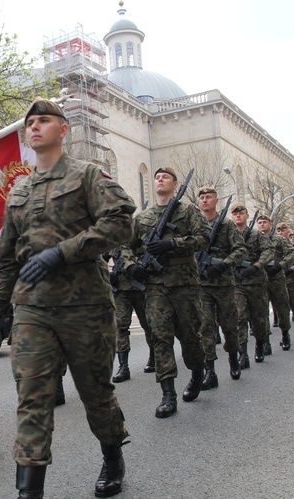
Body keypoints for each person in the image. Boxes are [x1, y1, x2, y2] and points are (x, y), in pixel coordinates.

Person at [0, 97, 136, 498]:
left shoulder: (87, 176)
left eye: (44, 121)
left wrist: (61, 252)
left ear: (62, 130)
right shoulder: (17, 191)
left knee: (95, 392)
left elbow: (121, 223)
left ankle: (113, 455)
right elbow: (8, 260)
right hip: (33, 311)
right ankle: (29, 491)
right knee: (32, 399)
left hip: (85, 308)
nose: (35, 127)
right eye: (30, 122)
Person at [123, 166, 209, 419]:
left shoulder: (187, 212)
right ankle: (168, 394)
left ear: (175, 183)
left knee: (190, 336)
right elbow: (125, 246)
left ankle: (196, 373)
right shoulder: (143, 217)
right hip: (155, 286)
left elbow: (204, 238)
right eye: (157, 177)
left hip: (184, 285)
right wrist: (131, 266)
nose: (160, 180)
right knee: (160, 337)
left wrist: (174, 243)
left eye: (165, 177)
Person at [196, 186, 246, 389]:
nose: (205, 200)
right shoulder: (194, 225)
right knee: (205, 328)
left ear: (216, 201)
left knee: (229, 327)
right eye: (202, 198)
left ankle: (234, 358)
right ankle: (210, 372)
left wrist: (224, 264)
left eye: (209, 197)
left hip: (224, 284)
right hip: (202, 284)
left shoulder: (226, 225)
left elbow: (240, 249)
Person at [230, 203, 274, 367]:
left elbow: (269, 251)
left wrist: (257, 266)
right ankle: (243, 354)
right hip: (237, 282)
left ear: (247, 216)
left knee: (259, 318)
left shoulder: (256, 235)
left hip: (256, 281)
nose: (238, 215)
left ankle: (260, 344)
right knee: (240, 317)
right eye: (235, 214)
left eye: (241, 213)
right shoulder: (229, 234)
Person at [109, 246, 156, 382]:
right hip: (120, 288)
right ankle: (123, 367)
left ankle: (154, 356)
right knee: (120, 326)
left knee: (149, 324)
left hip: (141, 286)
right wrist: (105, 275)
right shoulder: (112, 237)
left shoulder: (140, 232)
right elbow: (98, 258)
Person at [256, 215, 294, 352]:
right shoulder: (254, 238)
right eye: (259, 223)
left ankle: (285, 334)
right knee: (261, 312)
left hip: (277, 278)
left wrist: (281, 266)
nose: (262, 225)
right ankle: (265, 341)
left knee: (282, 309)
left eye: (264, 222)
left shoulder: (279, 239)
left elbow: (292, 254)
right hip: (261, 279)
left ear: (271, 225)